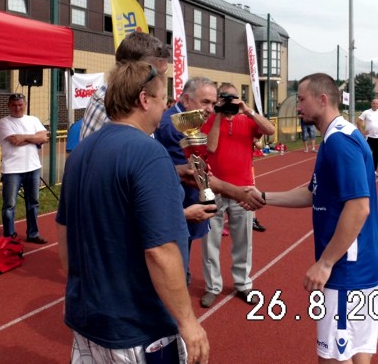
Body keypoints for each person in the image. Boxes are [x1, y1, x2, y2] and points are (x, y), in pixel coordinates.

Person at [57, 62, 209, 364]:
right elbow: (160, 249)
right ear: (144, 99)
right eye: (162, 98)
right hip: (138, 328)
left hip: (88, 318)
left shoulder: (80, 153)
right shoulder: (149, 154)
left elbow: (65, 237)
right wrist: (188, 321)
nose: (165, 106)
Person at [255, 73, 378, 363]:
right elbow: (314, 193)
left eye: (301, 99)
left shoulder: (339, 142)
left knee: (333, 357)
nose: (298, 106)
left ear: (322, 100)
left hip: (346, 268)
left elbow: (359, 207)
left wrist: (325, 263)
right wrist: (263, 197)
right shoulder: (337, 136)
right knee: (355, 351)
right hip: (355, 266)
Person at [153, 77, 264, 286]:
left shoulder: (189, 119)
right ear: (186, 100)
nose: (210, 109)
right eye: (205, 102)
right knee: (173, 272)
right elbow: (193, 174)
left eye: (214, 103)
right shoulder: (174, 125)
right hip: (174, 206)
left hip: (183, 203)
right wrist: (236, 192)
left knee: (180, 262)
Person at [200, 84, 275, 308]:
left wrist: (247, 109)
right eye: (225, 99)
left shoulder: (247, 120)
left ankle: (243, 284)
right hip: (214, 188)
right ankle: (212, 287)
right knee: (210, 241)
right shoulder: (210, 120)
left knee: (243, 241)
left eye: (233, 98)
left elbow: (270, 130)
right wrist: (218, 115)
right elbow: (210, 148)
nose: (230, 103)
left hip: (243, 190)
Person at [80, 32, 171, 140]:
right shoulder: (114, 110)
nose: (162, 81)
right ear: (131, 71)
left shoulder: (120, 99)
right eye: (157, 74)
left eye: (163, 74)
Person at [0, 93, 49, 243]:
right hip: (12, 170)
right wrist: (34, 138)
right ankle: (9, 236)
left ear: (25, 105)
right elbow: (14, 140)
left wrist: (23, 137)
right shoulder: (4, 122)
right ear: (9, 106)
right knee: (9, 205)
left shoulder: (33, 120)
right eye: (14, 105)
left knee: (33, 202)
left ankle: (33, 233)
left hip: (33, 167)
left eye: (20, 105)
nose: (17, 108)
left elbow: (44, 137)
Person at [356, 98, 378, 177]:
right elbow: (358, 121)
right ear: (371, 104)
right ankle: (364, 170)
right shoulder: (366, 112)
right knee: (366, 154)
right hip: (368, 138)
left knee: (376, 155)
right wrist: (362, 131)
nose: (375, 105)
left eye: (377, 103)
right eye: (373, 103)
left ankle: (374, 170)